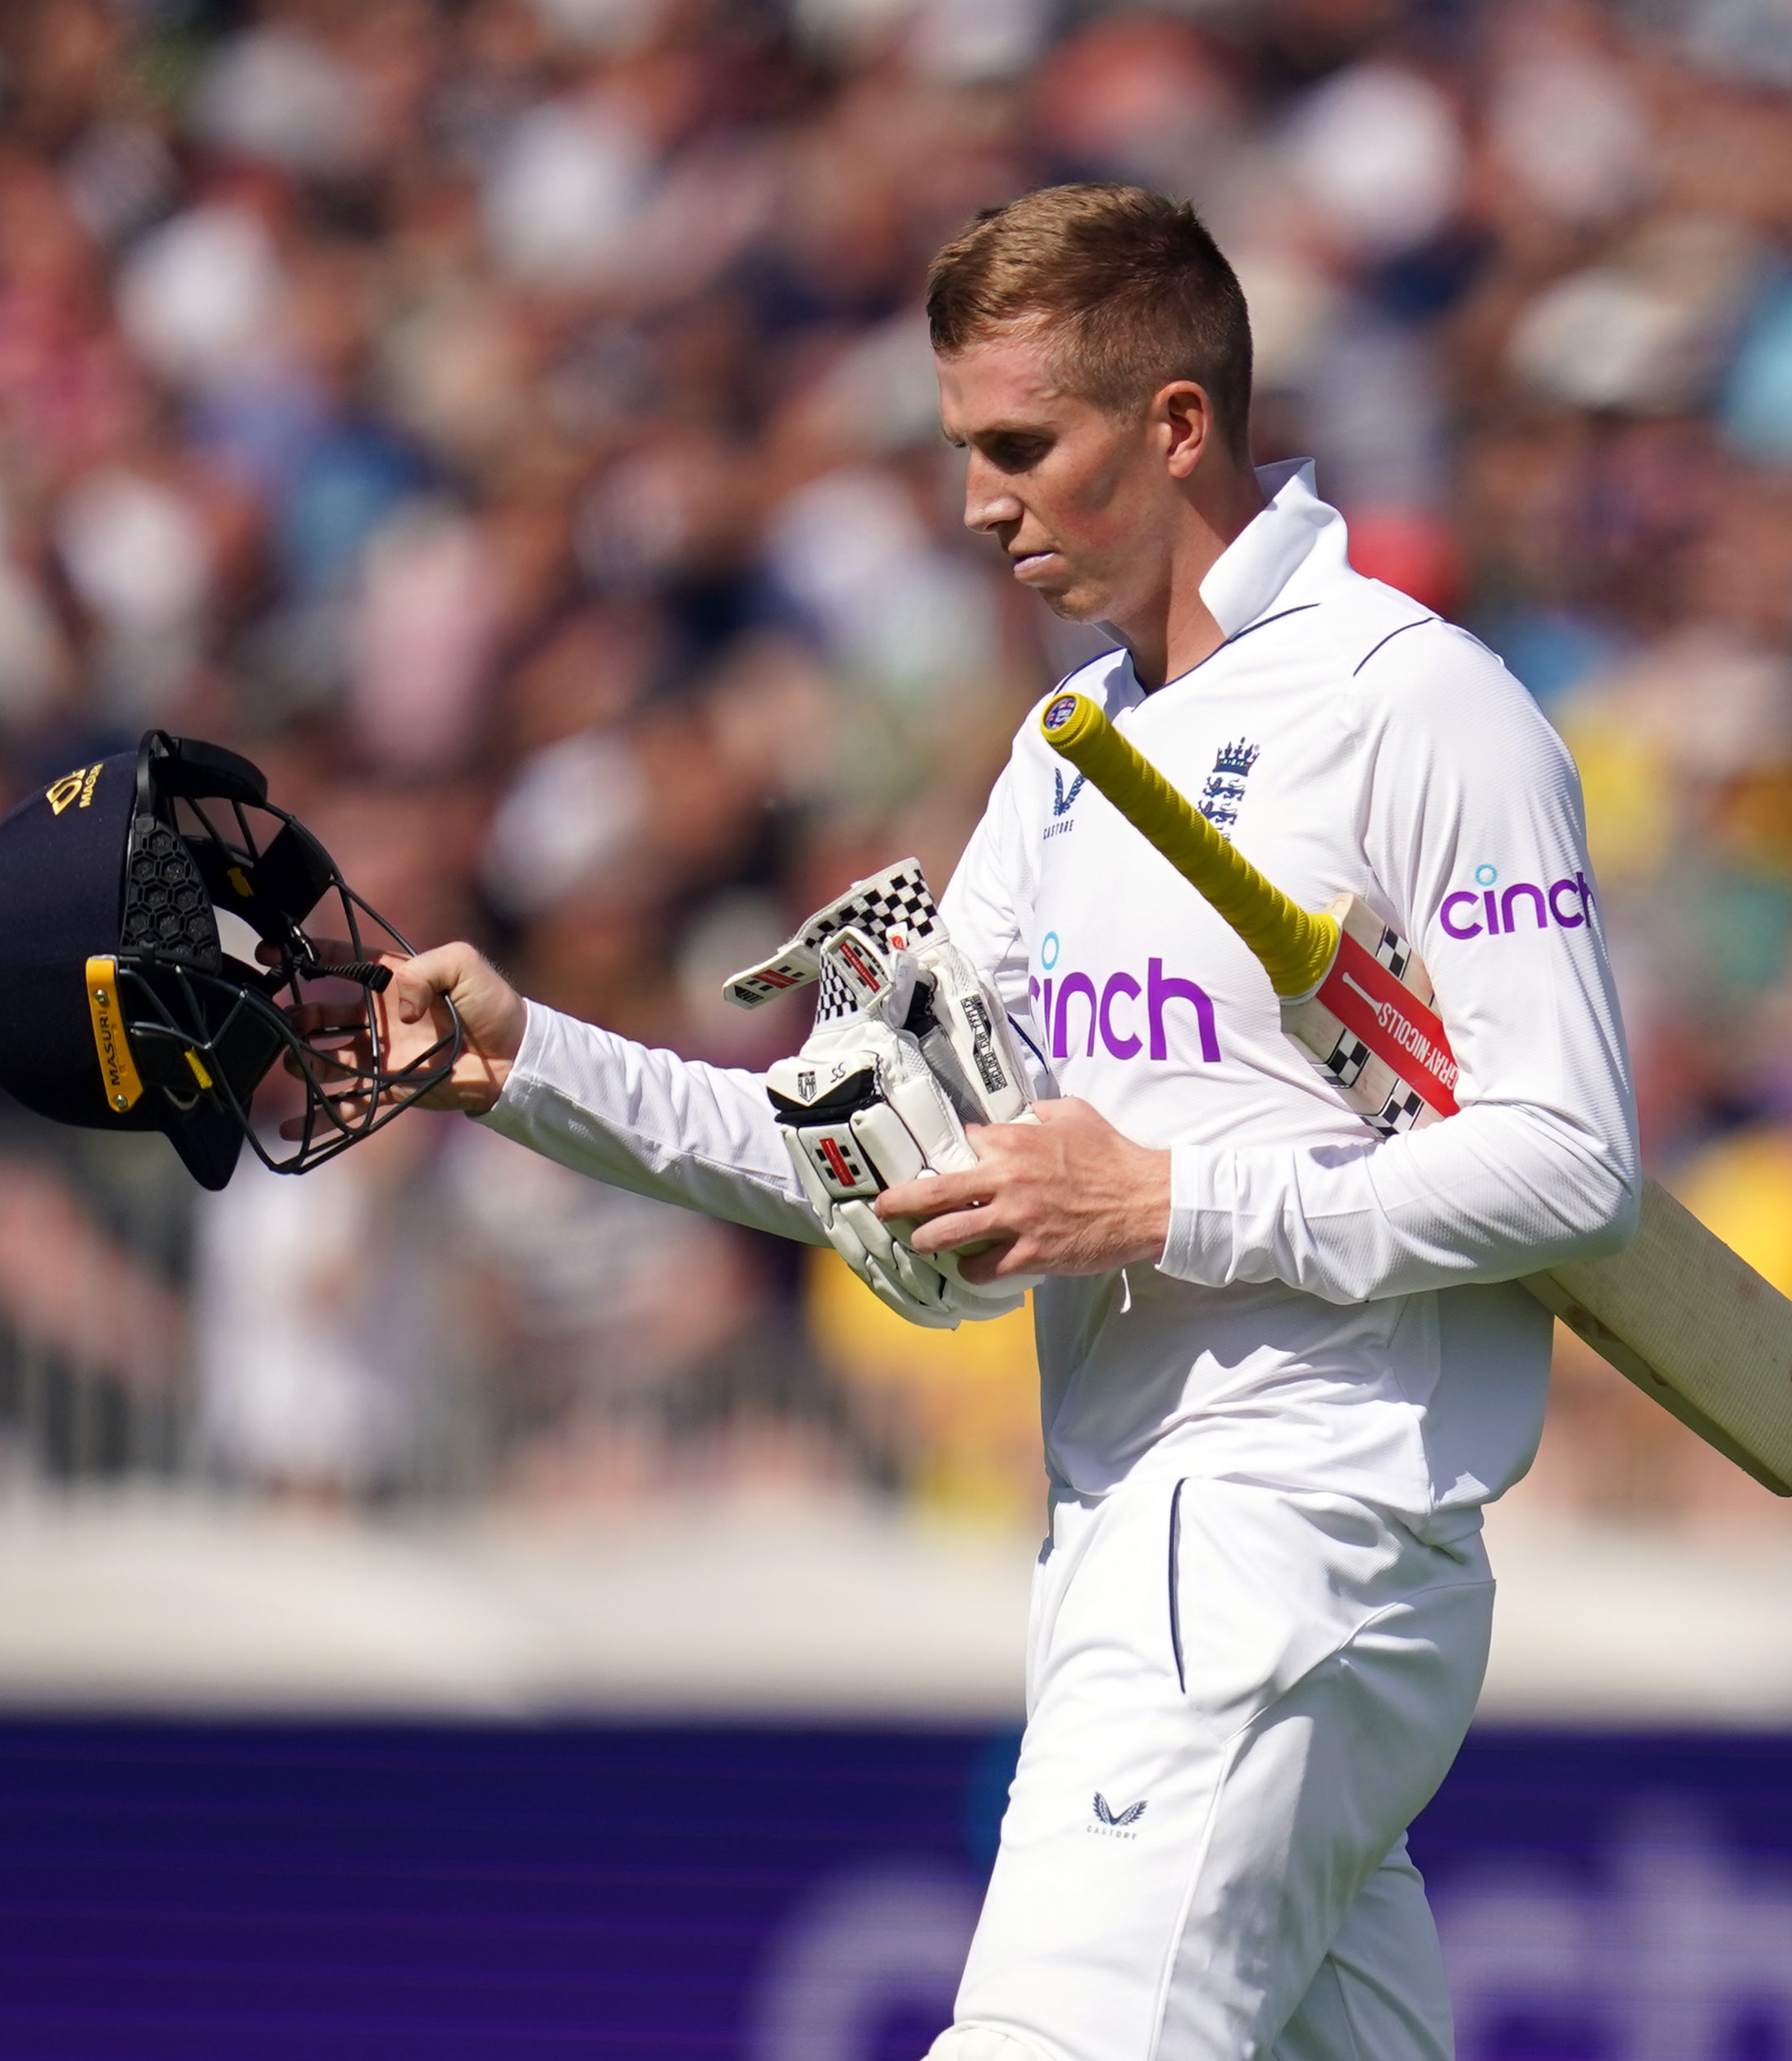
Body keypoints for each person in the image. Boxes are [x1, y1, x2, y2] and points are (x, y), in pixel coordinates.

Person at [368, 185, 1639, 2061]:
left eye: (1021, 447)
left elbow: (1572, 1159)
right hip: (1128, 1537)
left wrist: (1165, 1204)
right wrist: (526, 1064)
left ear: (1180, 425)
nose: (978, 504)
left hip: (1291, 1535)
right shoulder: (1067, 760)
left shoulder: (1421, 707)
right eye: (966, 449)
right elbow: (866, 1153)